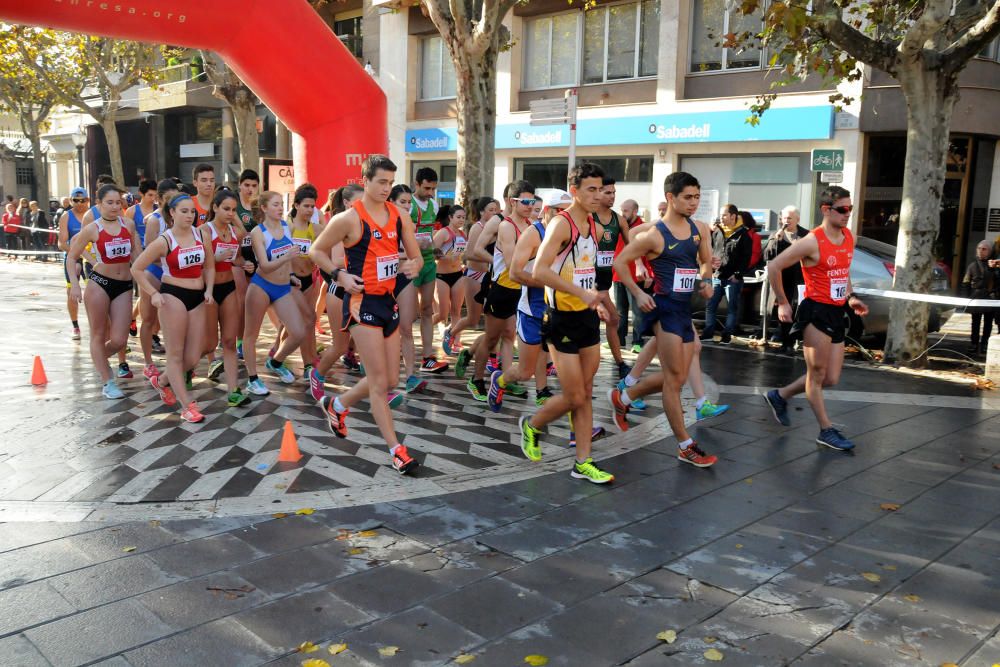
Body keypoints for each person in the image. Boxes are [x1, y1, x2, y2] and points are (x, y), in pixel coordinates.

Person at [309, 154, 424, 474]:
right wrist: (338, 275)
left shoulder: (401, 216)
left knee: (388, 379)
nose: (387, 188)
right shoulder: (349, 218)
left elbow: (416, 259)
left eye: (390, 182)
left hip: (388, 303)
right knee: (378, 383)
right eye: (381, 182)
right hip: (360, 304)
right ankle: (396, 450)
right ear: (366, 181)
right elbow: (317, 250)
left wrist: (412, 266)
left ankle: (338, 404)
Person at [609, 171, 719, 468]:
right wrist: (636, 291)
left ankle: (625, 396)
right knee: (674, 382)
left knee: (678, 377)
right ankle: (685, 444)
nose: (694, 203)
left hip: (684, 311)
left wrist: (707, 280)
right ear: (670, 197)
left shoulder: (700, 229)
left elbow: (706, 260)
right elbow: (620, 262)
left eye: (697, 197)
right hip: (664, 310)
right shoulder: (655, 234)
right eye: (688, 197)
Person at [518, 163, 614, 484]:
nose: (598, 195)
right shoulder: (562, 225)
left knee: (585, 393)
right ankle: (532, 425)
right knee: (574, 396)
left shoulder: (596, 228)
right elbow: (540, 271)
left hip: (587, 317)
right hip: (560, 319)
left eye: (601, 189)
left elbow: (591, 272)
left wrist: (599, 300)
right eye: (591, 189)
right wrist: (579, 293)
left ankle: (583, 462)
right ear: (574, 191)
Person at [763, 185, 869, 451]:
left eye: (850, 209)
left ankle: (780, 395)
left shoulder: (849, 237)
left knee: (830, 378)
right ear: (826, 209)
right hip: (815, 312)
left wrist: (851, 296)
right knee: (817, 374)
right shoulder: (812, 241)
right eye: (843, 209)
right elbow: (774, 266)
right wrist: (783, 302)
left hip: (836, 312)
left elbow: (842, 272)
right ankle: (826, 429)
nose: (847, 214)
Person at [132, 192, 214, 422]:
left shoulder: (201, 234)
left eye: (192, 211)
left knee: (193, 357)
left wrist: (208, 290)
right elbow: (137, 269)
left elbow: (209, 266)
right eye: (184, 211)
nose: (190, 215)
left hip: (197, 296)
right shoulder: (164, 241)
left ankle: (162, 380)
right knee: (176, 356)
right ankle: (187, 405)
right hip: (173, 297)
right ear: (172, 213)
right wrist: (154, 294)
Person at [487, 190, 567, 412]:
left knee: (571, 371)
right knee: (524, 371)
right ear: (547, 211)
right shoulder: (533, 233)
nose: (565, 216)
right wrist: (548, 282)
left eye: (567, 211)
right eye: (560, 211)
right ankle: (500, 380)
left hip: (559, 308)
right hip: (531, 308)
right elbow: (515, 273)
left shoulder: (571, 232)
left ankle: (544, 393)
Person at [66, 184, 139, 399]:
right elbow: (72, 256)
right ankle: (108, 381)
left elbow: (136, 253)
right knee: (98, 335)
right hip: (99, 284)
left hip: (124, 286)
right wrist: (75, 284)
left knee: (119, 340)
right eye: (110, 202)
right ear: (99, 204)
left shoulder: (129, 225)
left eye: (118, 202)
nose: (115, 206)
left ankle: (98, 358)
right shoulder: (92, 229)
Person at [468, 181, 536, 402]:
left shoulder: (530, 225)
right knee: (491, 339)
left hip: (521, 288)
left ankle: (508, 379)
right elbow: (510, 263)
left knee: (509, 337)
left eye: (532, 201)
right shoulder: (506, 226)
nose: (529, 205)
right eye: (525, 201)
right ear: (512, 202)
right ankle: (476, 379)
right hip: (502, 288)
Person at [242, 191, 306, 395]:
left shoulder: (287, 226)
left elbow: (288, 260)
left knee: (298, 332)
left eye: (281, 205)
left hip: (282, 287)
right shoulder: (258, 233)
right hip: (261, 285)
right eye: (275, 204)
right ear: (264, 208)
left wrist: (291, 275)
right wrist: (287, 255)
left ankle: (276, 362)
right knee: (251, 335)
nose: (280, 208)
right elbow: (266, 265)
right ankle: (252, 378)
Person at [310, 185, 369, 401]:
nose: (364, 205)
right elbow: (334, 260)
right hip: (340, 291)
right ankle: (317, 374)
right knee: (339, 346)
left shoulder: (369, 222)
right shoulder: (342, 223)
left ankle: (382, 388)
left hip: (364, 292)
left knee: (371, 343)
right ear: (346, 203)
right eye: (359, 201)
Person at [200, 188, 252, 407]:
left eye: (233, 209)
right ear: (214, 208)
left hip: (229, 286)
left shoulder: (234, 232)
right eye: (226, 209)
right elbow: (200, 263)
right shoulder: (204, 230)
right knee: (209, 344)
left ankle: (233, 391)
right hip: (208, 290)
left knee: (229, 341)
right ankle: (184, 369)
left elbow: (237, 257)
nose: (230, 213)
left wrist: (244, 263)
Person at [448, 196, 501, 363]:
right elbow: (469, 254)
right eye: (491, 210)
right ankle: (450, 333)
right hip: (474, 275)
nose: (495, 213)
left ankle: (494, 357)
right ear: (481, 212)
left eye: (497, 210)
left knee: (493, 320)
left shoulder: (500, 227)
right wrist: (492, 259)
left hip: (491, 277)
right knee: (473, 319)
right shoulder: (477, 228)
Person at [408, 168, 448, 373]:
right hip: (409, 262)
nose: (431, 192)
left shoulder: (433, 203)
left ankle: (427, 357)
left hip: (429, 262)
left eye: (433, 188)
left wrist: (434, 248)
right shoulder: (408, 204)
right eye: (426, 188)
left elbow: (429, 233)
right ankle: (398, 354)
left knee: (426, 310)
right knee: (407, 314)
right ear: (416, 184)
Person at [137, 179, 178, 377]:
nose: (173, 202)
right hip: (155, 273)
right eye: (169, 199)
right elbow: (149, 255)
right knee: (148, 319)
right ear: (160, 199)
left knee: (174, 321)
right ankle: (148, 362)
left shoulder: (180, 217)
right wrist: (169, 264)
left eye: (175, 197)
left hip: (175, 275)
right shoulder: (154, 220)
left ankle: (175, 362)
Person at [593, 177, 629, 378]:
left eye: (614, 192)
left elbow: (632, 247)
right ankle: (621, 364)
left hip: (606, 278)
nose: (612, 196)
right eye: (608, 193)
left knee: (612, 320)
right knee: (613, 318)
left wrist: (641, 265)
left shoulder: (619, 219)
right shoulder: (589, 218)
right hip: (589, 280)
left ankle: (620, 364)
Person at [701, 203, 751, 344]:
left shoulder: (743, 234)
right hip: (717, 276)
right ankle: (708, 333)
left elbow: (746, 258)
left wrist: (737, 274)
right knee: (710, 306)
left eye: (724, 215)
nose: (721, 218)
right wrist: (710, 262)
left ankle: (727, 335)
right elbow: (710, 249)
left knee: (732, 308)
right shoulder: (717, 231)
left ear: (733, 216)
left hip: (732, 278)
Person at [287, 183, 322, 377]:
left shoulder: (315, 229)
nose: (309, 210)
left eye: (312, 206)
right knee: (306, 319)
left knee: (309, 320)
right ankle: (308, 362)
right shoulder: (288, 227)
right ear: (297, 205)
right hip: (292, 281)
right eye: (306, 206)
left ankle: (309, 359)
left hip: (310, 278)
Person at [764, 205, 809, 351]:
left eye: (789, 218)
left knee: (797, 310)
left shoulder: (806, 235)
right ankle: (786, 343)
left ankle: (797, 340)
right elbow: (767, 256)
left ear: (797, 219)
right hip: (781, 279)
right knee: (783, 311)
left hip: (799, 279)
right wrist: (776, 241)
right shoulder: (776, 235)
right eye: (784, 218)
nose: (786, 221)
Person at [613, 198, 652, 353]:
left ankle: (638, 342)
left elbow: (650, 253)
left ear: (635, 211)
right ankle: (619, 340)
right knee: (620, 311)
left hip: (636, 277)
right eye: (621, 210)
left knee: (637, 312)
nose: (622, 214)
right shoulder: (619, 226)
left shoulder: (644, 228)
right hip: (618, 275)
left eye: (626, 211)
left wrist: (650, 274)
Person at [433, 204, 467, 338]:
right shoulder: (443, 232)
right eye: (458, 217)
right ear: (450, 217)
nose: (461, 220)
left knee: (456, 311)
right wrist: (446, 257)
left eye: (463, 217)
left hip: (458, 274)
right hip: (441, 276)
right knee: (442, 313)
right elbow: (432, 251)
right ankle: (426, 327)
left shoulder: (463, 234)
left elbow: (462, 253)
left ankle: (456, 340)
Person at [963, 240, 997, 355]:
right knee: (975, 322)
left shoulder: (994, 265)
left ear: (990, 251)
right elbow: (966, 283)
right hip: (976, 297)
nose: (981, 251)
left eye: (984, 249)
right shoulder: (972, 266)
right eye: (979, 248)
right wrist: (965, 299)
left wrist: (995, 269)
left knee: (988, 323)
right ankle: (974, 343)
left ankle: (985, 344)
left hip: (990, 298)